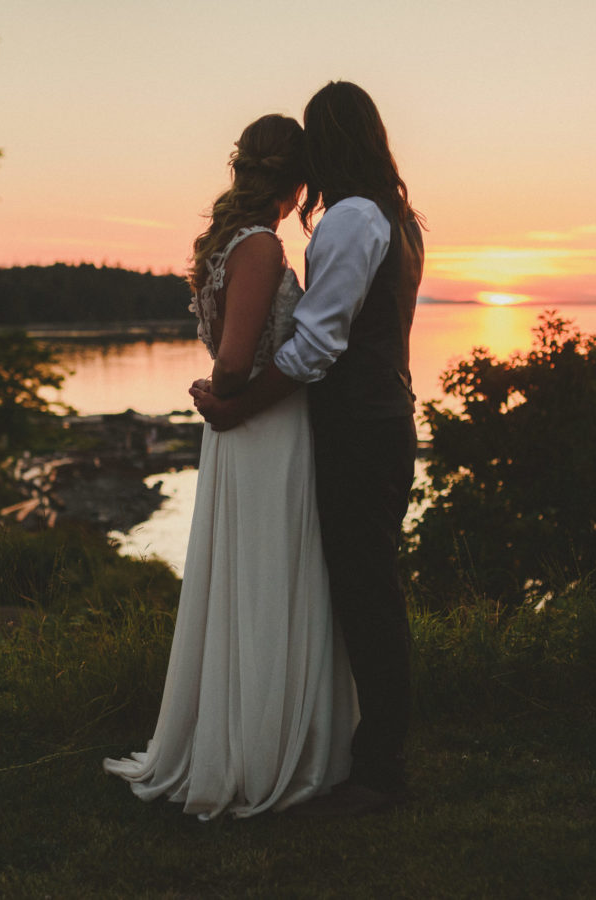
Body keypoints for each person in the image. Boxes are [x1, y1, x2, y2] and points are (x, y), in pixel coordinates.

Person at [104, 114, 355, 819]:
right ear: (297, 180)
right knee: (270, 581)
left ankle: (255, 734)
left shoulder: (228, 242)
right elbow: (235, 359)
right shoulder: (262, 248)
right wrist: (228, 391)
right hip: (264, 434)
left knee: (255, 581)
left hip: (241, 435)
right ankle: (265, 752)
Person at [192, 81, 424, 816]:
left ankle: (380, 771)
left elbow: (318, 345)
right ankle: (355, 748)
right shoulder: (399, 217)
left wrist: (237, 408)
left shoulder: (351, 218)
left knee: (367, 594)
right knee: (365, 589)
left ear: (330, 145)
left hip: (359, 426)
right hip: (383, 418)